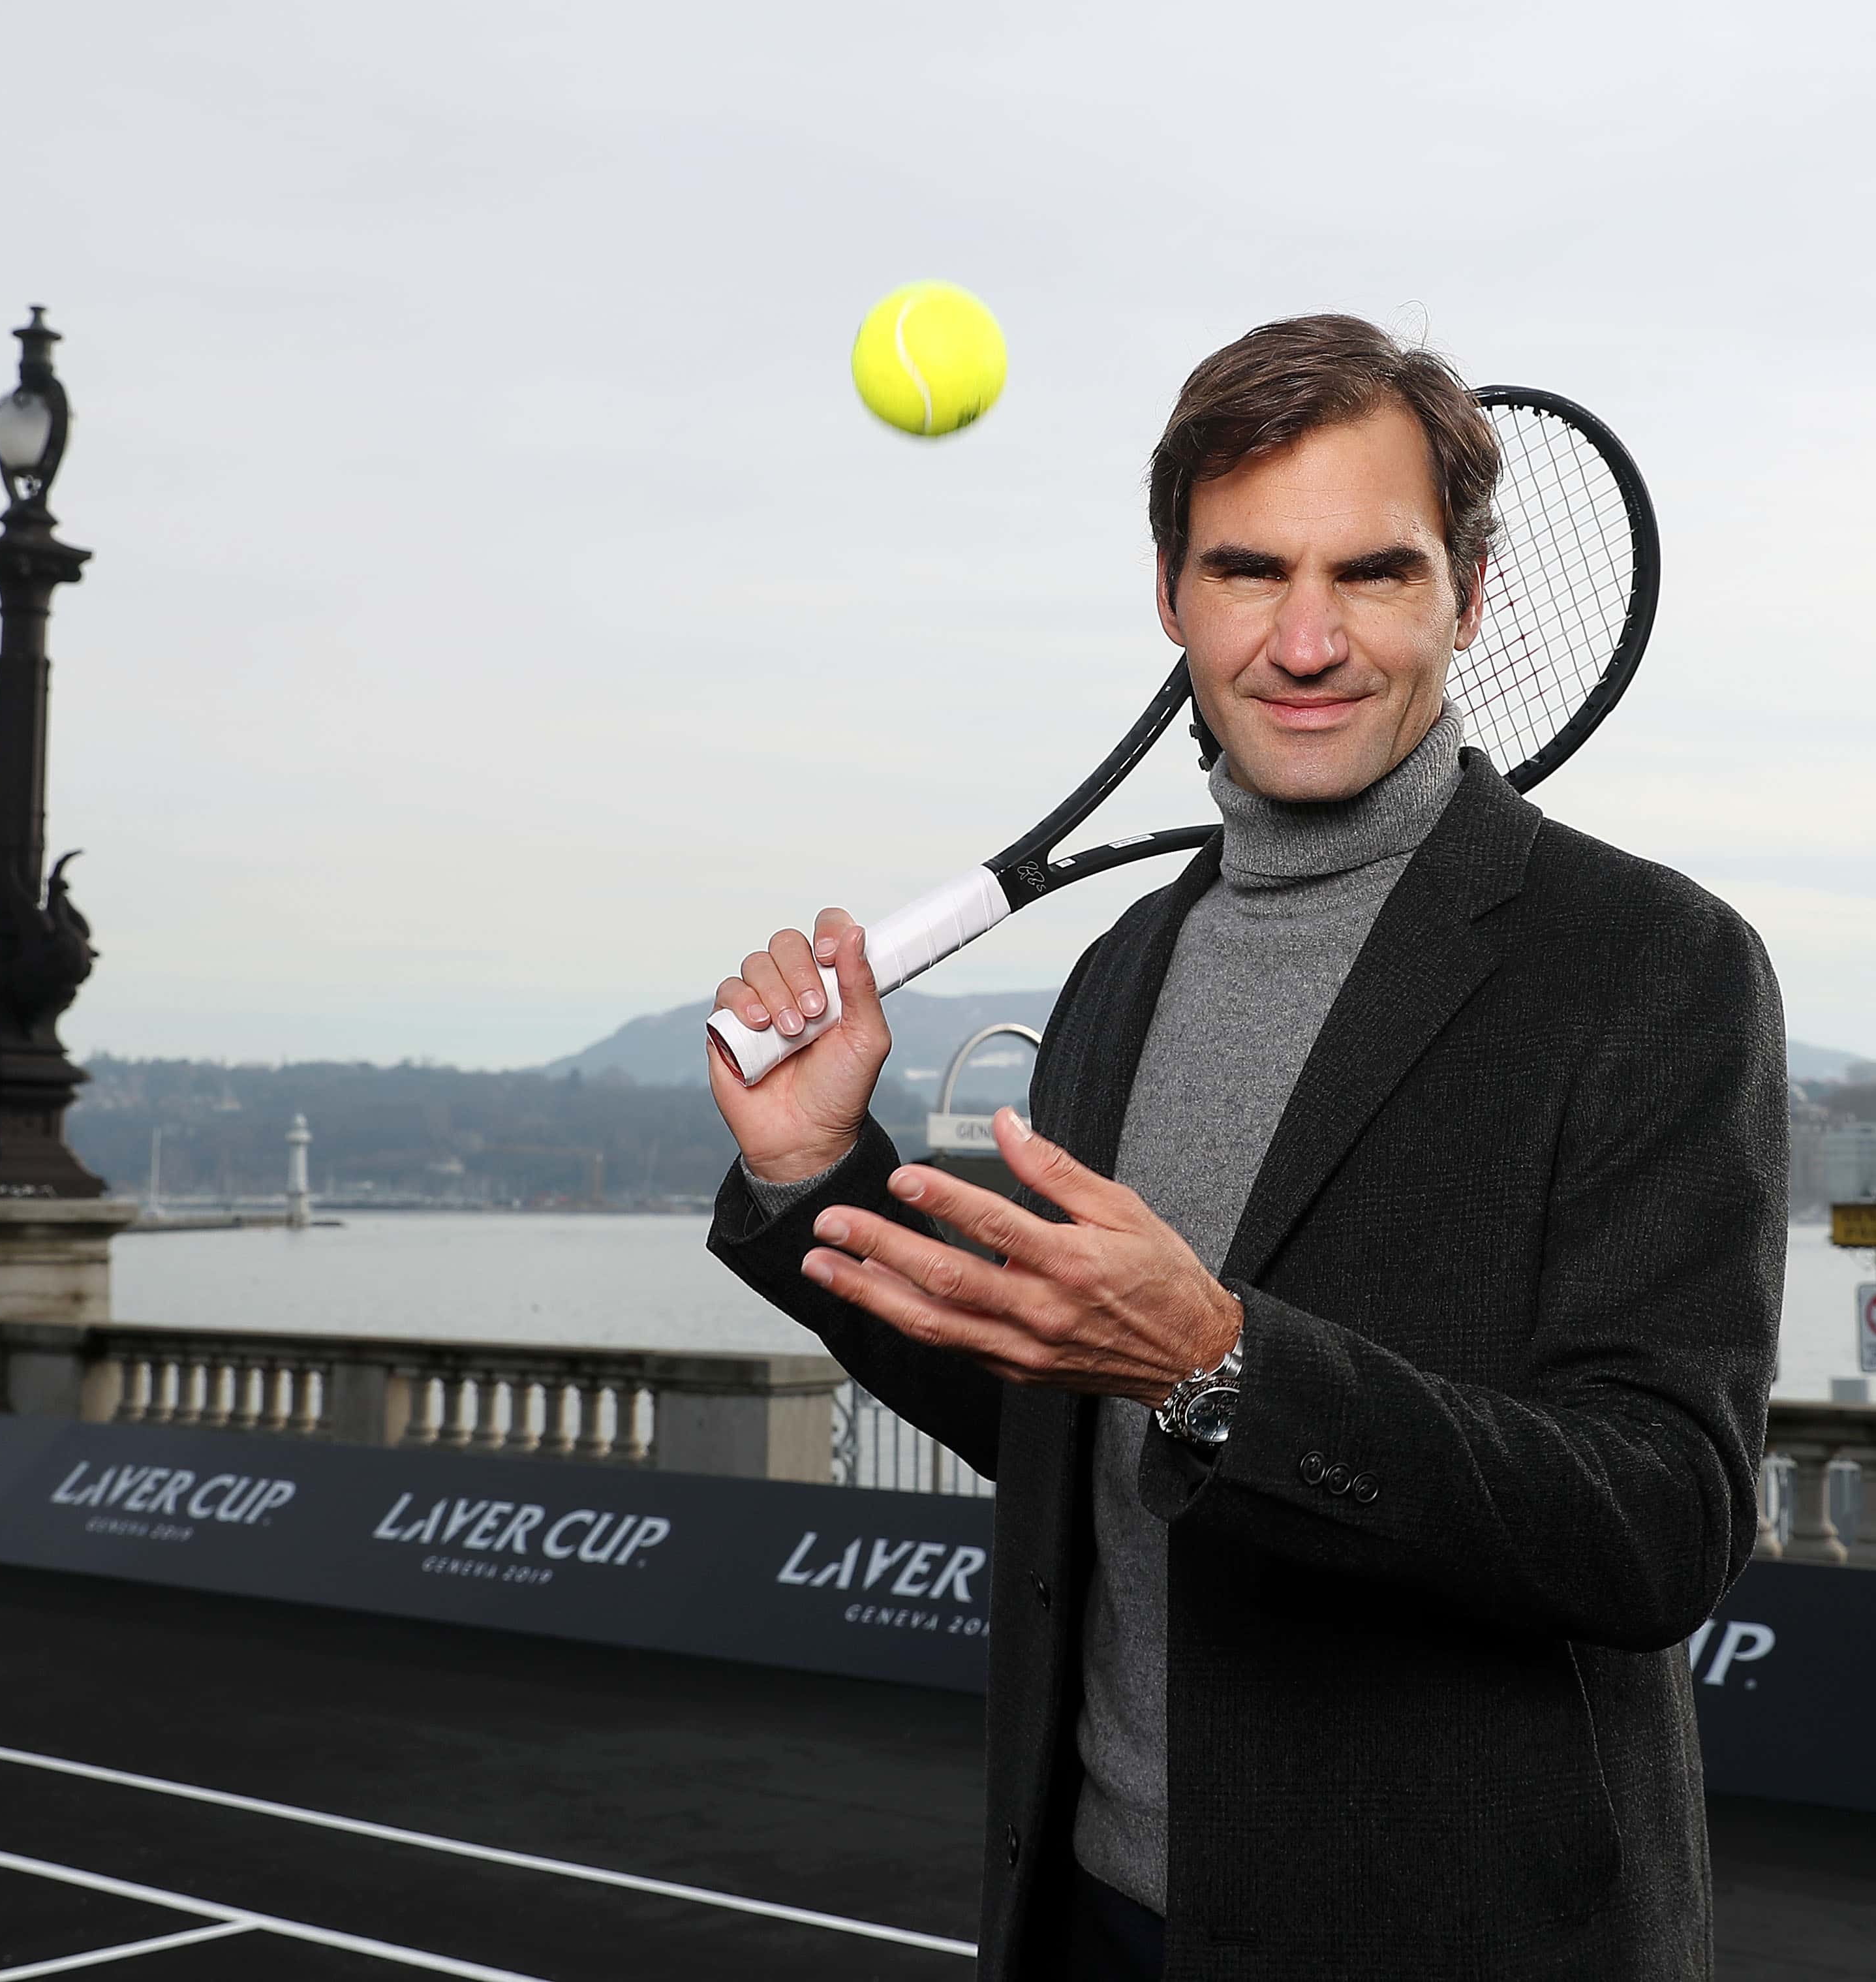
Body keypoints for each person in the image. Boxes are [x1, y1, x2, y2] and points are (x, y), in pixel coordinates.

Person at [707, 314, 1785, 1981]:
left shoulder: (1652, 964)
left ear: (1469, 599)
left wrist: (1222, 1363)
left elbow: (1656, 1525)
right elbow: (1071, 1424)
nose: (1304, 640)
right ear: (1169, 598)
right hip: (1094, 1912)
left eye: (1373, 573)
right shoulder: (1120, 968)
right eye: (1245, 571)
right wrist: (813, 1173)